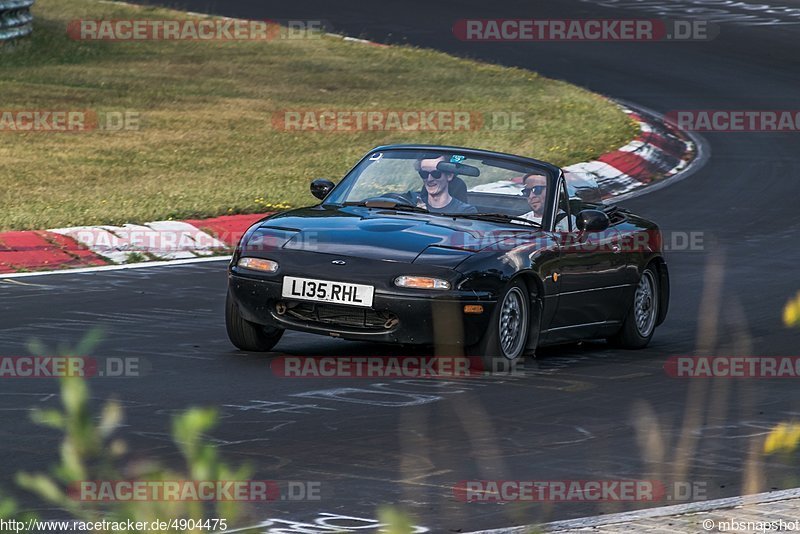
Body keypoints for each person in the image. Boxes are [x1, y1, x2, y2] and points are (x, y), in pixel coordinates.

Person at [413, 156, 477, 214]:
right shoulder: (411, 205)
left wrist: (424, 216)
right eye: (424, 174)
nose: (429, 179)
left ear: (449, 176)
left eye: (436, 173)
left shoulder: (466, 211)